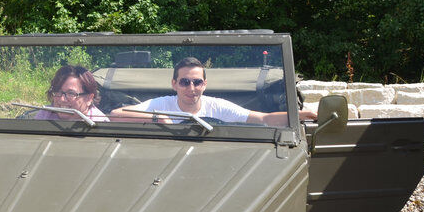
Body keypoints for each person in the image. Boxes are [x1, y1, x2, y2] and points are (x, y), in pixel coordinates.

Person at [112, 57, 315, 127]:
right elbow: (115, 115)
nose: (191, 89)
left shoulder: (216, 106)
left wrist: (300, 115)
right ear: (174, 84)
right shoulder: (162, 104)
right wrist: (157, 118)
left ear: (205, 84)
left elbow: (264, 119)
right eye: (184, 82)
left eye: (197, 82)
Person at [34, 65, 110, 122]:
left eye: (71, 93)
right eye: (57, 91)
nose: (62, 99)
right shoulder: (45, 115)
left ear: (89, 98)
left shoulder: (100, 123)